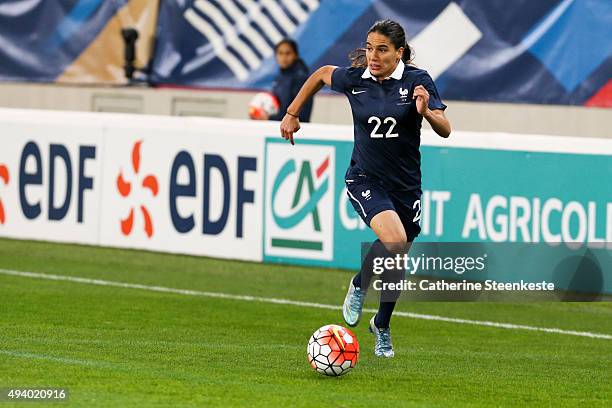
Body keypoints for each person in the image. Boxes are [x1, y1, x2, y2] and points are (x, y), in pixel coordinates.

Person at [279, 20, 451, 358]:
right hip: (365, 178)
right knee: (395, 240)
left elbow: (446, 129)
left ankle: (382, 326)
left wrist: (427, 112)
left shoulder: (418, 81)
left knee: (398, 255)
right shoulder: (356, 79)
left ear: (399, 52)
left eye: (382, 49)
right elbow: (320, 74)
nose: (373, 56)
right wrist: (291, 113)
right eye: (370, 48)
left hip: (406, 186)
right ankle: (359, 285)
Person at [269, 39, 312, 122]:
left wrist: (269, 118)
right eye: (280, 53)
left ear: (296, 55)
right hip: (281, 126)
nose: (284, 57)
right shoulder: (279, 77)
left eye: (288, 53)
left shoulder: (301, 78)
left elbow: (302, 115)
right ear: (276, 56)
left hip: (295, 129)